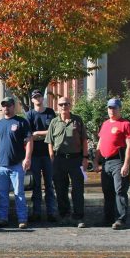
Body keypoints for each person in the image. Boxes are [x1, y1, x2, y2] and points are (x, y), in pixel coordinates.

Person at [45, 96, 89, 228]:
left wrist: (85, 158)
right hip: (59, 160)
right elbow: (49, 141)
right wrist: (52, 156)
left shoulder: (77, 120)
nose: (64, 106)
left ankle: (78, 216)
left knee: (77, 189)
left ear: (70, 105)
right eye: (61, 104)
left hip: (76, 160)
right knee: (60, 189)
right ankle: (64, 215)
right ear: (57, 106)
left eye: (66, 104)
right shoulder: (54, 122)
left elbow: (84, 140)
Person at [0, 97, 32, 229]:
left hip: (17, 165)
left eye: (8, 105)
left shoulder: (22, 122)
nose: (6, 108)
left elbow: (29, 140)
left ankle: (22, 219)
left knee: (19, 193)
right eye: (4, 106)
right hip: (2, 166)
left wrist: (27, 158)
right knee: (2, 194)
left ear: (14, 106)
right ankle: (2, 218)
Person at [93, 98, 130, 230]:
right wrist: (95, 161)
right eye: (110, 108)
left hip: (118, 161)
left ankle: (120, 219)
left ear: (119, 109)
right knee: (107, 191)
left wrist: (126, 164)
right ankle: (108, 218)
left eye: (114, 107)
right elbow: (100, 143)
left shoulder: (125, 124)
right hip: (106, 162)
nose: (112, 110)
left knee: (120, 191)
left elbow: (129, 146)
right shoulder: (105, 124)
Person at [26, 89, 57, 223]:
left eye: (39, 96)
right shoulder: (29, 115)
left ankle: (51, 213)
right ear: (32, 100)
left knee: (49, 185)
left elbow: (54, 130)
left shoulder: (50, 112)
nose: (38, 98)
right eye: (35, 97)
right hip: (34, 155)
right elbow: (29, 135)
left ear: (42, 98)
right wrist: (44, 134)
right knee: (36, 185)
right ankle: (36, 213)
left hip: (49, 154)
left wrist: (38, 132)